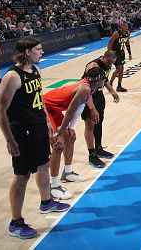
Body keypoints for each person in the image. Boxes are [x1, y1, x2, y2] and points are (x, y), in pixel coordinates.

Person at [0, 37, 70, 240]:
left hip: (37, 128)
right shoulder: (13, 76)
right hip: (22, 133)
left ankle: (46, 202)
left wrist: (47, 123)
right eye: (38, 49)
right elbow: (0, 112)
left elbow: (39, 101)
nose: (42, 52)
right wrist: (10, 140)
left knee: (44, 165)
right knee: (22, 177)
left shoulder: (34, 71)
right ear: (27, 52)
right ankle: (15, 222)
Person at [43, 68, 106, 199]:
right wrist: (60, 134)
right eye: (103, 78)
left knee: (70, 139)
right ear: (98, 80)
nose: (104, 80)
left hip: (55, 109)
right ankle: (53, 185)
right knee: (58, 145)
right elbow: (71, 111)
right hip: (45, 109)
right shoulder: (85, 89)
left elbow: (80, 107)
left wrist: (71, 128)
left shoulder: (89, 87)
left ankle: (67, 172)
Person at [81, 51, 120, 168]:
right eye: (108, 61)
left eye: (112, 63)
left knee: (98, 122)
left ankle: (98, 148)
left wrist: (112, 91)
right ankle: (91, 155)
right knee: (89, 125)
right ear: (103, 57)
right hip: (88, 96)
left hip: (99, 96)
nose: (110, 64)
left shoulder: (106, 66)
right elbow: (87, 87)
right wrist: (92, 108)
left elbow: (105, 79)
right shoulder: (93, 66)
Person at [108, 22, 132, 92]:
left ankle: (119, 86)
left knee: (122, 69)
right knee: (118, 68)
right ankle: (110, 83)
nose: (126, 27)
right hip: (115, 53)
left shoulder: (127, 33)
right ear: (121, 26)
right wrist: (109, 54)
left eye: (127, 26)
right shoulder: (116, 33)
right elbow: (110, 43)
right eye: (125, 26)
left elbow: (127, 44)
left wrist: (130, 53)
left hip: (122, 53)